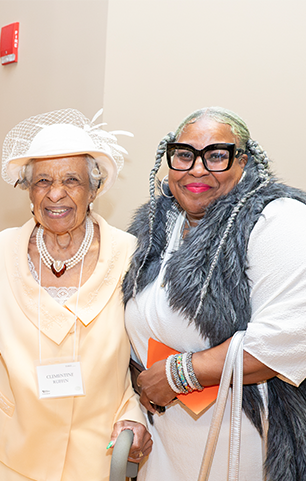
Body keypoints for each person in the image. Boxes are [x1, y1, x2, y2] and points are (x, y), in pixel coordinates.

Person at [0, 109, 151, 481]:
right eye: (42, 180)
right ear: (28, 190)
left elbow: (140, 356)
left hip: (96, 452)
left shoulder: (129, 255)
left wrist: (133, 411)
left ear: (94, 189)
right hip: (15, 449)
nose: (56, 193)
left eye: (71, 180)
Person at [122, 107, 306, 480]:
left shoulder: (277, 220)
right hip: (166, 445)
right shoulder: (159, 226)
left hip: (242, 443)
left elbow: (287, 337)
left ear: (245, 162)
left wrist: (176, 375)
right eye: (185, 155)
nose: (197, 169)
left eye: (217, 155)